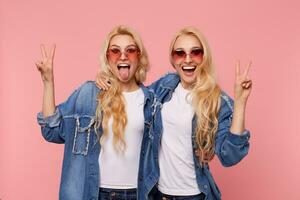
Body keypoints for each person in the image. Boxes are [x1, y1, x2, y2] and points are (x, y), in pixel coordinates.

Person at [97, 27, 252, 200]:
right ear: (173, 59)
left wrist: (240, 102)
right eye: (180, 53)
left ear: (204, 57)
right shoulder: (163, 88)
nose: (187, 59)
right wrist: (106, 77)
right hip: (159, 194)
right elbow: (133, 94)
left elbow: (230, 155)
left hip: (195, 195)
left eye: (195, 52)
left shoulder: (215, 99)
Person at [36, 25, 155, 200]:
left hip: (139, 194)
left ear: (139, 57)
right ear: (107, 58)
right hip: (95, 194)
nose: (123, 56)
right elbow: (51, 130)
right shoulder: (89, 94)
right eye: (115, 51)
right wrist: (48, 82)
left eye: (130, 50)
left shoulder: (152, 101)